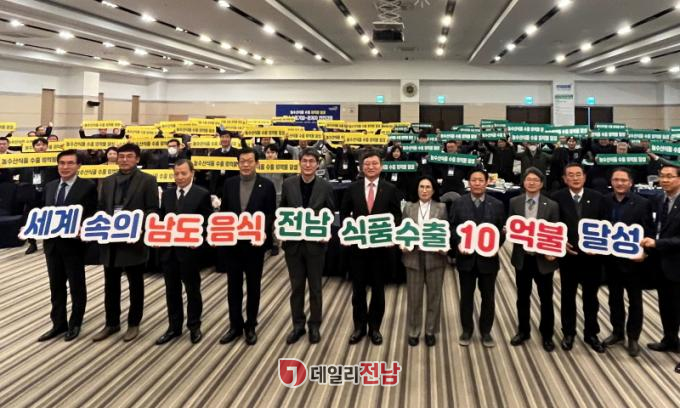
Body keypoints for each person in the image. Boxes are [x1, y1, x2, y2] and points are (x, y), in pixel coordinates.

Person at [93, 143, 159, 342]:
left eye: (129, 156)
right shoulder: (107, 181)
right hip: (110, 240)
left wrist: (137, 224)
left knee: (135, 284)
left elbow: (153, 209)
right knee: (110, 285)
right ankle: (111, 323)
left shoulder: (148, 180)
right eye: (121, 156)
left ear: (137, 159)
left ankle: (133, 323)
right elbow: (101, 208)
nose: (124, 160)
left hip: (133, 239)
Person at [341, 150, 401, 345]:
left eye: (375, 163)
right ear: (361, 167)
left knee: (378, 289)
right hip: (358, 248)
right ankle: (359, 327)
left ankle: (375, 327)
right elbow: (344, 214)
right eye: (367, 164)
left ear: (381, 166)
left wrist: (389, 232)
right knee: (358, 289)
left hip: (380, 249)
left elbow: (397, 216)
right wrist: (348, 231)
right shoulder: (353, 188)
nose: (371, 167)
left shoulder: (390, 189)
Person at [37, 150, 97, 342]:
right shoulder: (51, 186)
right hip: (52, 244)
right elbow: (44, 212)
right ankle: (58, 323)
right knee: (56, 286)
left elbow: (92, 214)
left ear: (79, 166)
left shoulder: (88, 186)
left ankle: (75, 323)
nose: (65, 167)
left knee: (76, 286)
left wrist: (84, 227)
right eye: (62, 163)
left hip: (74, 245)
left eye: (70, 163)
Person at [218, 148, 276, 346]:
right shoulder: (230, 183)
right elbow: (224, 212)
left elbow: (270, 213)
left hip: (254, 245)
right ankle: (235, 325)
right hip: (233, 245)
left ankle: (250, 325)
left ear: (256, 163)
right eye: (242, 161)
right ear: (238, 163)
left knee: (253, 286)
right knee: (233, 286)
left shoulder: (266, 185)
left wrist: (260, 231)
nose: (246, 164)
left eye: (250, 161)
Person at [279, 148, 336, 344]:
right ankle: (298, 325)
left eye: (312, 161)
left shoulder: (325, 186)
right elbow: (282, 210)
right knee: (296, 287)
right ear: (299, 162)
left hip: (315, 245)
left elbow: (330, 214)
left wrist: (325, 233)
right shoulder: (288, 184)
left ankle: (314, 325)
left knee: (315, 287)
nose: (308, 164)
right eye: (305, 161)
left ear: (318, 164)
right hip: (293, 245)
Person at [551, 163, 608, 353]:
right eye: (570, 175)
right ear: (564, 179)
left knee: (591, 298)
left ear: (584, 177)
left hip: (592, 258)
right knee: (567, 296)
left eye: (578, 174)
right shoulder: (557, 198)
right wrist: (561, 242)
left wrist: (599, 246)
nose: (575, 178)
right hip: (569, 256)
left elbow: (606, 225)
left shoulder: (598, 197)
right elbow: (553, 225)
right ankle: (568, 333)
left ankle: (591, 333)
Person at [155, 159, 212, 345]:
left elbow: (207, 224)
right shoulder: (167, 194)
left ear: (192, 173)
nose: (179, 177)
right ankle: (174, 327)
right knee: (171, 291)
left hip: (190, 252)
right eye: (176, 174)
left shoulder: (202, 194)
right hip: (169, 252)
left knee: (192, 290)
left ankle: (194, 326)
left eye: (183, 173)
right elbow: (162, 219)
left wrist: (199, 240)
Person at [449, 169, 506, 348]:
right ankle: (467, 330)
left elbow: (501, 231)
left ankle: (486, 331)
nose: (477, 183)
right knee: (466, 297)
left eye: (481, 180)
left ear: (487, 182)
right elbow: (452, 228)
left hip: (488, 260)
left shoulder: (497, 204)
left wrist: (495, 247)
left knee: (488, 297)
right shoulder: (458, 203)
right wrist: (458, 244)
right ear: (469, 182)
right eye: (474, 180)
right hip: (466, 259)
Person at [602, 167, 654, 357]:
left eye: (623, 180)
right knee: (614, 299)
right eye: (616, 180)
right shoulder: (604, 200)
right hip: (611, 260)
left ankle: (633, 337)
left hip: (634, 261)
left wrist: (645, 253)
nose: (620, 183)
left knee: (635, 301)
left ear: (631, 182)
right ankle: (617, 332)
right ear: (611, 182)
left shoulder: (643, 203)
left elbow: (649, 231)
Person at [508, 167, 560, 352]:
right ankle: (523, 331)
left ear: (541, 183)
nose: (531, 182)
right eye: (528, 179)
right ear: (523, 182)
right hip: (522, 258)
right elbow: (511, 225)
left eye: (535, 180)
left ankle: (547, 335)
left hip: (543, 259)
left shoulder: (551, 205)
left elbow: (555, 232)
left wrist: (552, 251)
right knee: (522, 297)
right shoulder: (514, 202)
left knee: (546, 298)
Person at [401, 175, 448, 347]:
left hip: (435, 257)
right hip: (413, 257)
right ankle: (414, 331)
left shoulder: (441, 208)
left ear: (434, 190)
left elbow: (445, 231)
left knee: (434, 297)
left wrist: (443, 246)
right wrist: (403, 243)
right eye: (421, 187)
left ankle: (430, 331)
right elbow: (403, 229)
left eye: (428, 187)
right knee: (414, 297)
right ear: (417, 189)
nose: (424, 190)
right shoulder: (408, 207)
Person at [641, 164, 680, 372]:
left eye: (670, 176)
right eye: (662, 176)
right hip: (661, 264)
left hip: (678, 263)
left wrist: (657, 243)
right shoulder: (657, 199)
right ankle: (670, 340)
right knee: (666, 306)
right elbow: (652, 227)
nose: (664, 180)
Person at [19, 137, 58, 254]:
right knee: (29, 218)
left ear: (47, 146)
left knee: (49, 218)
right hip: (32, 194)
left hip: (48, 194)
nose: (40, 147)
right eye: (37, 145)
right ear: (33, 147)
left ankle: (49, 243)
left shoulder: (53, 160)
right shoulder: (27, 161)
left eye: (43, 145)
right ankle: (32, 243)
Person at [209, 132, 240, 198]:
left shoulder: (237, 153)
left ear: (230, 139)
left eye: (227, 137)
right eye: (222, 137)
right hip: (217, 187)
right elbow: (212, 173)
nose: (224, 139)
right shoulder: (214, 153)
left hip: (232, 186)